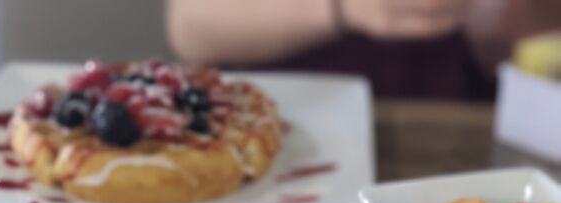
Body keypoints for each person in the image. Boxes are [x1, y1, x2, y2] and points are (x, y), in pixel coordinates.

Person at [166, 0, 560, 99]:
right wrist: (343, 8)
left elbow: (515, 40)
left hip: (452, 136)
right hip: (283, 125)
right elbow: (191, 28)